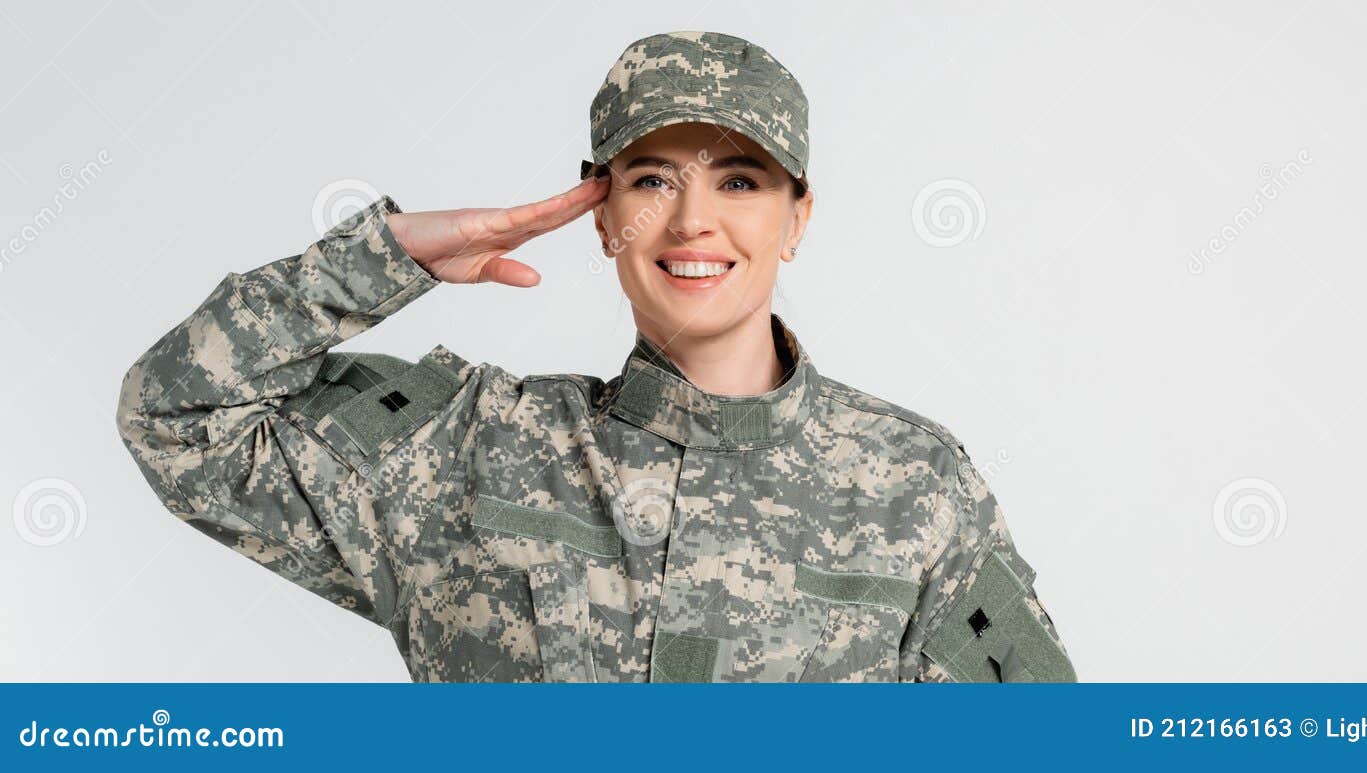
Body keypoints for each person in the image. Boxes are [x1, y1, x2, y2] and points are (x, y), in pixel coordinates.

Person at [115, 30, 1077, 683]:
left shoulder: (913, 486)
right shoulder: (467, 445)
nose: (694, 220)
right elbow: (176, 413)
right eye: (653, 178)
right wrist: (388, 255)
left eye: (739, 179)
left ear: (798, 217)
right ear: (601, 211)